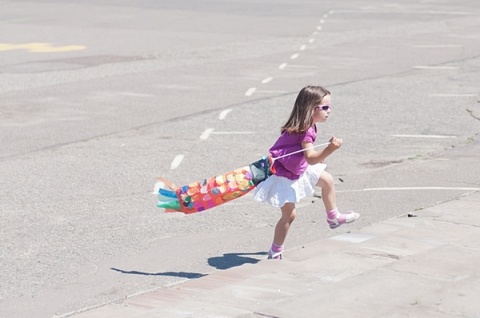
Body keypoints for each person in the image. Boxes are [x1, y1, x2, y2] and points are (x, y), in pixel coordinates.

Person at [254, 85, 359, 260]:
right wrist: (330, 149)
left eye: (329, 107)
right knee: (289, 215)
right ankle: (275, 252)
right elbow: (311, 158)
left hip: (294, 167)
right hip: (283, 174)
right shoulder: (306, 130)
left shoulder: (307, 125)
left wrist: (319, 156)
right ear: (311, 109)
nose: (329, 111)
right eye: (325, 107)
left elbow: (305, 156)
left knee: (327, 180)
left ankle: (333, 217)